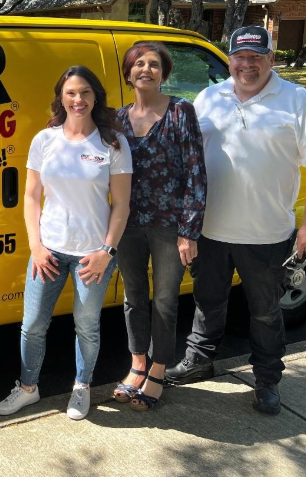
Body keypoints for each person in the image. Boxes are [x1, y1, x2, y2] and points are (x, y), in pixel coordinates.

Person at [165, 25, 306, 415]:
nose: (247, 65)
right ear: (229, 60)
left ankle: (266, 381)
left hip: (266, 234)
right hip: (209, 229)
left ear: (271, 59)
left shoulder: (297, 100)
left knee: (264, 311)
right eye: (240, 58)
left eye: (256, 57)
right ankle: (199, 359)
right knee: (208, 301)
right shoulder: (209, 98)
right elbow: (187, 162)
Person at [0, 65, 132, 421]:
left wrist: (107, 252)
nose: (78, 99)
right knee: (33, 324)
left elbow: (122, 205)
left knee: (86, 325)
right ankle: (27, 389)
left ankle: (82, 387)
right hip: (49, 251)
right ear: (61, 98)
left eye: (85, 92)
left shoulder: (112, 143)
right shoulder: (44, 140)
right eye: (71, 93)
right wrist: (36, 246)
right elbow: (31, 197)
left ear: (95, 97)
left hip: (93, 256)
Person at [113, 42, 207, 411]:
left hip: (171, 226)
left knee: (165, 300)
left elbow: (197, 174)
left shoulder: (181, 111)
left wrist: (190, 230)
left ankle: (158, 369)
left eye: (154, 64)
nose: (146, 70)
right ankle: (137, 364)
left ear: (163, 73)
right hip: (128, 224)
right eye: (139, 64)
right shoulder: (118, 119)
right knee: (133, 297)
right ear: (129, 72)